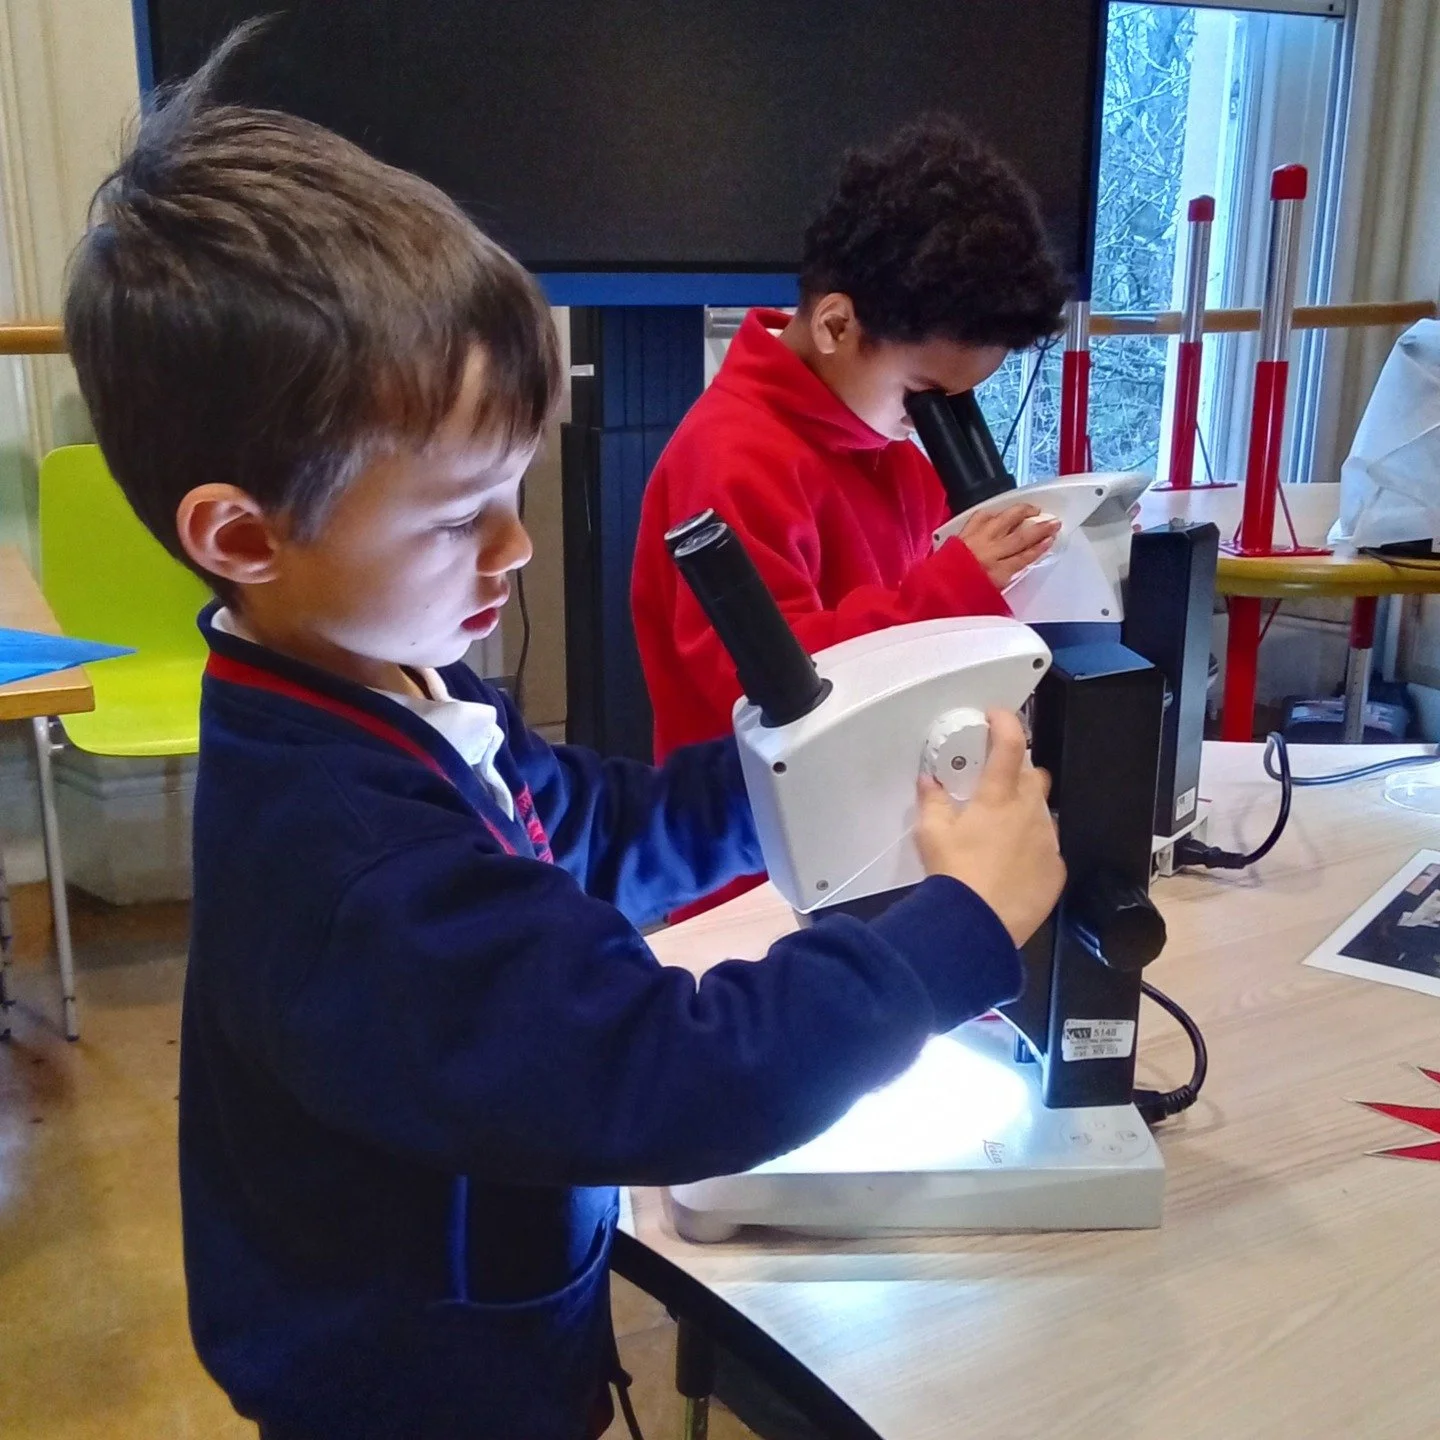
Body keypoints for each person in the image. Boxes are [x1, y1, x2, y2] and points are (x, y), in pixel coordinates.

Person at [62, 32, 1064, 1440]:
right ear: (244, 534)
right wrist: (961, 925)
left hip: (489, 1322)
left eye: (514, 490)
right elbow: (669, 1071)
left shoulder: (395, 686)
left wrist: (813, 770)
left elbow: (589, 827)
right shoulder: (349, 862)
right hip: (415, 1400)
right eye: (455, 512)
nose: (516, 549)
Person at [632, 115, 1071, 917]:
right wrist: (954, 587)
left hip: (883, 842)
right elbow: (769, 689)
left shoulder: (888, 442)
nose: (937, 424)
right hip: (759, 879)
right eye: (925, 396)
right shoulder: (727, 462)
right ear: (837, 325)